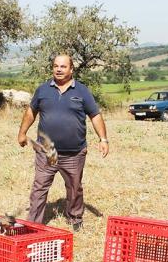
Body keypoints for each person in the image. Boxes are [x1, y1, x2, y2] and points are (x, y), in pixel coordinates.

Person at [17, 55, 109, 232]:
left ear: (71, 69)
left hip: (74, 152)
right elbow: (31, 111)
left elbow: (95, 115)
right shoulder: (42, 90)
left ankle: (74, 218)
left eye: (63, 66)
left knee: (74, 188)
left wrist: (103, 139)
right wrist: (22, 133)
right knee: (39, 187)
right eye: (55, 66)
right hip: (47, 151)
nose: (59, 69)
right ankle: (34, 223)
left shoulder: (82, 91)